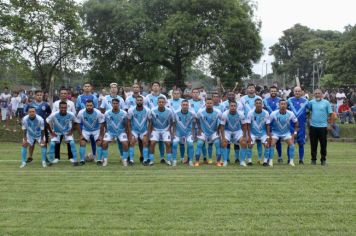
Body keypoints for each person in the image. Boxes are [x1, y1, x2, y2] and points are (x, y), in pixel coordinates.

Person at [46, 101, 78, 166]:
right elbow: (46, 122)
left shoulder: (71, 114)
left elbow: (75, 122)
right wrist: (51, 132)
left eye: (65, 107)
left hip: (67, 132)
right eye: (62, 107)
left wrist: (71, 131)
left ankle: (75, 160)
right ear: (59, 108)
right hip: (57, 132)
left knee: (72, 143)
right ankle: (51, 161)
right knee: (52, 144)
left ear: (67, 107)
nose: (63, 109)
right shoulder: (54, 114)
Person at [307, 89, 333, 165]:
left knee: (323, 145)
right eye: (316, 93)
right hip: (313, 127)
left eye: (319, 93)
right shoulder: (311, 102)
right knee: (313, 144)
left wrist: (330, 124)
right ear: (314, 95)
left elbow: (331, 114)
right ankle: (313, 159)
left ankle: (323, 160)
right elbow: (307, 111)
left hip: (323, 127)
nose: (317, 95)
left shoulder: (326, 103)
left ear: (322, 94)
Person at [269, 100, 299, 167]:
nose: (283, 105)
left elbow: (296, 123)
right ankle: (270, 161)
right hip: (275, 133)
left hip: (286, 133)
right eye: (281, 104)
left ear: (286, 105)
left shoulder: (291, 113)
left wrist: (295, 133)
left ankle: (291, 161)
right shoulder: (273, 113)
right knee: (272, 144)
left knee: (292, 145)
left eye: (284, 104)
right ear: (279, 105)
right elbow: (268, 123)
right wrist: (269, 133)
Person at [24, 90, 51, 163]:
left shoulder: (46, 104)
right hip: (32, 127)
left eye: (40, 95)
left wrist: (46, 118)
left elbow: (49, 112)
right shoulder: (30, 104)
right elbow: (26, 112)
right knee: (31, 143)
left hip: (42, 126)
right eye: (38, 95)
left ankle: (45, 157)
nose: (39, 96)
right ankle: (30, 157)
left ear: (42, 96)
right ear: (35, 96)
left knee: (44, 142)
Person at [101, 98, 129, 167]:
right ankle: (105, 160)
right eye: (114, 103)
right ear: (111, 104)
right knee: (104, 143)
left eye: (116, 103)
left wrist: (127, 132)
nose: (115, 105)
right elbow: (103, 123)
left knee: (125, 143)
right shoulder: (107, 113)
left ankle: (124, 160)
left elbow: (127, 124)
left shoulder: (124, 113)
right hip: (110, 132)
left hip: (121, 132)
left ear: (119, 104)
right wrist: (106, 130)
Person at [239, 83, 264, 163]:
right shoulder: (242, 99)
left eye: (252, 88)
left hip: (258, 122)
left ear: (255, 89)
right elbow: (240, 110)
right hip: (246, 123)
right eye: (249, 88)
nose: (251, 89)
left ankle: (260, 159)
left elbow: (261, 110)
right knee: (248, 141)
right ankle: (248, 159)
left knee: (259, 141)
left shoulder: (259, 98)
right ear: (247, 89)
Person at [76, 100, 105, 165]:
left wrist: (101, 135)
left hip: (96, 130)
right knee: (82, 142)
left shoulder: (98, 112)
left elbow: (102, 124)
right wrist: (81, 135)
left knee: (99, 142)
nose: (89, 107)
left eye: (90, 105)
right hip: (85, 130)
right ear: (85, 106)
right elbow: (77, 123)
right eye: (87, 105)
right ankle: (82, 160)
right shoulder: (81, 112)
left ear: (93, 106)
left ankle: (99, 160)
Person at [145, 82, 168, 163]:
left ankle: (162, 157)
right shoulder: (147, 97)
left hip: (161, 122)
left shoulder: (163, 97)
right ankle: (149, 158)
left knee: (161, 141)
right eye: (154, 85)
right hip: (151, 120)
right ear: (152, 87)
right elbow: (146, 108)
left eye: (157, 86)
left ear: (159, 87)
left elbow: (166, 108)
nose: (155, 87)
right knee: (150, 140)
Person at [195, 98, 222, 166]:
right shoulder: (200, 111)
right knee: (199, 144)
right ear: (205, 104)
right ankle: (197, 161)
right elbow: (197, 119)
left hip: (214, 132)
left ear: (213, 104)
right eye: (207, 103)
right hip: (203, 132)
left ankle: (218, 161)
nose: (209, 104)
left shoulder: (218, 111)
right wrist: (200, 129)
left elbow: (222, 121)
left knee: (217, 143)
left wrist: (218, 129)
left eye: (210, 103)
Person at [147, 97, 174, 166]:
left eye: (162, 102)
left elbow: (172, 122)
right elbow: (150, 121)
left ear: (165, 103)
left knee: (168, 143)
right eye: (159, 102)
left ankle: (168, 160)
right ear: (157, 103)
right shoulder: (152, 110)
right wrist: (149, 132)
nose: (161, 103)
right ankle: (151, 160)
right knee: (152, 143)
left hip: (165, 129)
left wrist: (170, 130)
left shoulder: (169, 111)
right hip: (155, 129)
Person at [76, 82, 99, 160]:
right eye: (85, 86)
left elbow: (96, 110)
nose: (87, 87)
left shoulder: (94, 97)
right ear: (83, 87)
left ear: (91, 88)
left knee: (93, 138)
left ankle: (94, 154)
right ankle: (83, 156)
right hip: (83, 121)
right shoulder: (79, 97)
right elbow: (78, 108)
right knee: (83, 138)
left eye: (88, 86)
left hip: (92, 121)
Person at [52, 88, 76, 162]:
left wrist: (72, 128)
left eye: (65, 93)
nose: (63, 95)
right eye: (62, 93)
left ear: (67, 94)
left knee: (69, 142)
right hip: (57, 126)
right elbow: (53, 115)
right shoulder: (55, 103)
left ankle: (71, 157)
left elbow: (74, 114)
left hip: (68, 126)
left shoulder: (71, 103)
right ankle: (56, 158)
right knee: (57, 142)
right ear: (59, 94)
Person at [220, 101, 246, 167]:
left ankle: (242, 161)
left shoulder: (241, 114)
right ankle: (225, 161)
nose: (233, 107)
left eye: (234, 106)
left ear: (236, 107)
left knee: (243, 142)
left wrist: (244, 136)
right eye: (231, 106)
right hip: (227, 131)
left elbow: (244, 125)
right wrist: (223, 137)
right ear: (229, 106)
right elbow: (222, 126)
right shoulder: (225, 114)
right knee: (224, 143)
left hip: (238, 131)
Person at [246, 99, 271, 166]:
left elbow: (268, 125)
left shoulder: (266, 113)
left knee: (267, 145)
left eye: (260, 103)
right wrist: (249, 136)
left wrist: (268, 136)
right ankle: (249, 161)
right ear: (254, 105)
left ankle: (265, 162)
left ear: (262, 105)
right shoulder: (250, 113)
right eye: (257, 103)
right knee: (250, 145)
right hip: (253, 134)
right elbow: (248, 125)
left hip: (263, 134)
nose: (258, 104)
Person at [287, 86, 308, 164]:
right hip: (291, 125)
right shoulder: (289, 100)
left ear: (301, 92)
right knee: (290, 143)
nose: (297, 93)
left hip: (301, 126)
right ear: (293, 92)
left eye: (299, 91)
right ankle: (289, 159)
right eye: (296, 91)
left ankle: (301, 159)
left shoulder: (306, 101)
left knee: (301, 143)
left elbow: (309, 110)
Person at [172, 100, 196, 166]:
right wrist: (173, 133)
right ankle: (174, 160)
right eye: (183, 105)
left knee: (190, 145)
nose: (185, 106)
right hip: (178, 133)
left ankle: (190, 161)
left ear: (188, 106)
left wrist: (193, 133)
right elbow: (173, 123)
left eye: (186, 105)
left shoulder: (192, 114)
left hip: (188, 133)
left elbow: (194, 123)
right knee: (174, 144)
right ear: (181, 105)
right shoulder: (176, 113)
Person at [127, 96, 150, 165]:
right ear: (135, 101)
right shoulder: (131, 110)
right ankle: (131, 160)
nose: (139, 101)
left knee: (145, 143)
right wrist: (130, 133)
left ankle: (145, 160)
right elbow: (128, 121)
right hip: (134, 131)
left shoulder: (147, 110)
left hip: (144, 130)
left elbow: (150, 122)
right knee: (132, 143)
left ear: (143, 101)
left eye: (140, 100)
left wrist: (148, 132)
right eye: (138, 100)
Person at [263, 85, 283, 163]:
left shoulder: (280, 100)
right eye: (272, 91)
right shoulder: (265, 100)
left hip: (278, 123)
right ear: (269, 92)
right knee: (268, 140)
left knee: (278, 140)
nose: (273, 92)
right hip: (268, 123)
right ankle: (268, 157)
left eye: (275, 91)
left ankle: (280, 157)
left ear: (277, 91)